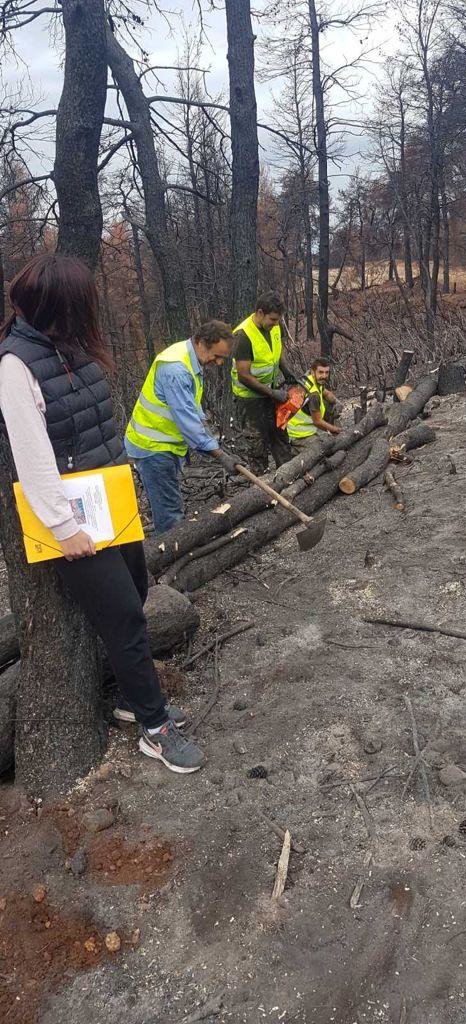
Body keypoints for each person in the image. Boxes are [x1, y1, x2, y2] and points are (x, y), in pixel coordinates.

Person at [0, 252, 204, 774]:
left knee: (136, 592)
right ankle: (155, 728)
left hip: (108, 497)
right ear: (56, 307)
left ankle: (130, 698)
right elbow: (32, 456)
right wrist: (63, 527)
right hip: (71, 517)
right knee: (123, 615)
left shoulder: (69, 344)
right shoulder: (15, 366)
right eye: (81, 305)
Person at [125, 322, 238, 533]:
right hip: (153, 446)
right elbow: (188, 423)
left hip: (165, 445)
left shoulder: (191, 361)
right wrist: (221, 456)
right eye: (217, 356)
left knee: (170, 505)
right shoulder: (176, 369)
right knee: (170, 515)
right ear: (202, 343)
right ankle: (172, 550)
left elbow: (194, 410)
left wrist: (213, 440)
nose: (219, 362)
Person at [231, 291, 295, 475]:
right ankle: (261, 483)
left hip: (270, 391)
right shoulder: (243, 336)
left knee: (280, 435)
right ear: (260, 312)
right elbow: (244, 375)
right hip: (249, 400)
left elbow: (277, 353)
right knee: (257, 444)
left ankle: (289, 476)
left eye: (277, 320)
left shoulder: (275, 327)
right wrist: (273, 393)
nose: (275, 323)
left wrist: (287, 371)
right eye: (272, 319)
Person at [287, 358, 342, 452]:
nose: (324, 376)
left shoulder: (309, 379)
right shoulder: (313, 395)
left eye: (326, 372)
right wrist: (336, 430)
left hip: (294, 427)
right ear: (313, 372)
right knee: (324, 449)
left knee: (331, 405)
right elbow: (317, 422)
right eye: (321, 372)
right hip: (298, 434)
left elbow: (326, 393)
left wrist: (336, 402)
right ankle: (294, 449)